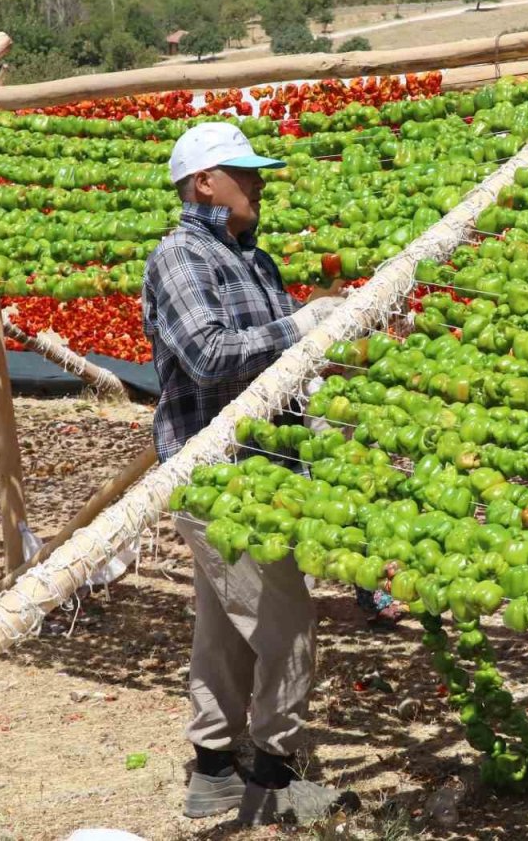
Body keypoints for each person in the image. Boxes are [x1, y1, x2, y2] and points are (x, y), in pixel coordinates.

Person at [142, 122, 359, 825]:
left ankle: (212, 770)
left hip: (267, 471)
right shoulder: (178, 257)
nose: (260, 182)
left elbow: (281, 368)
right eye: (247, 171)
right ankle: (278, 776)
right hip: (219, 477)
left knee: (226, 629)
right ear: (205, 182)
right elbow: (207, 354)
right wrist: (302, 326)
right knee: (287, 625)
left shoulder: (255, 262)